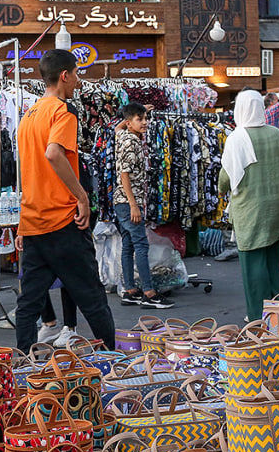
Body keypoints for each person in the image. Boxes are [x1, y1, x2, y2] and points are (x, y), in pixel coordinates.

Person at [14, 49, 115, 353]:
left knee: (28, 302)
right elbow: (53, 154)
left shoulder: (28, 117)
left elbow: (29, 173)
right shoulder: (62, 111)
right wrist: (81, 197)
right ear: (64, 75)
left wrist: (21, 224)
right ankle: (115, 362)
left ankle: (21, 365)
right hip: (62, 220)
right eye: (76, 74)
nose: (78, 81)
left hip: (33, 222)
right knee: (92, 297)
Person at [219, 91, 279, 320]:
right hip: (276, 206)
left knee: (252, 264)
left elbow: (226, 179)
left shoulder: (237, 138)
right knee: (272, 261)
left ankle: (257, 316)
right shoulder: (277, 134)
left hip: (250, 209)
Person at [114, 103, 172, 310]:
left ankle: (130, 290)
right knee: (140, 245)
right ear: (130, 123)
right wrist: (133, 205)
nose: (145, 122)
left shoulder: (123, 136)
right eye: (140, 119)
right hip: (129, 201)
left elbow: (116, 129)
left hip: (121, 201)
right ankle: (149, 292)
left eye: (145, 118)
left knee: (128, 245)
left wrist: (130, 115)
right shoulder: (131, 142)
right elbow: (125, 175)